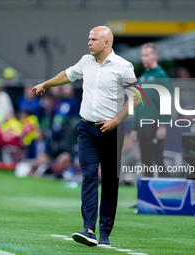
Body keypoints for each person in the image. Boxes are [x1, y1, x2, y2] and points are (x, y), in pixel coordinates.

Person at [32, 26, 140, 247]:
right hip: (87, 129)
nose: (89, 43)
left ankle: (105, 232)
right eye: (88, 39)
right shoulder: (86, 61)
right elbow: (68, 75)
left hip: (112, 130)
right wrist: (46, 83)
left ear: (106, 43)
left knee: (110, 180)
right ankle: (88, 229)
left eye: (93, 39)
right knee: (89, 176)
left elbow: (136, 97)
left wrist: (116, 121)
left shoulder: (123, 67)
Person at [131, 43, 172, 177]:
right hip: (142, 125)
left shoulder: (162, 75)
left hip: (154, 123)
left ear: (155, 55)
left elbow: (166, 101)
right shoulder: (142, 77)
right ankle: (148, 193)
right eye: (143, 55)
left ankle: (165, 191)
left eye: (147, 55)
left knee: (158, 160)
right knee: (145, 160)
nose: (144, 58)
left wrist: (163, 125)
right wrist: (134, 128)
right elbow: (137, 102)